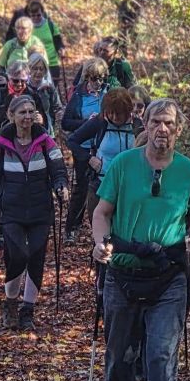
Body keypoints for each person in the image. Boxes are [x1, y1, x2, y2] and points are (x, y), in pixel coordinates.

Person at [92, 98, 190, 381]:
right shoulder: (123, 165)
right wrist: (100, 244)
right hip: (123, 272)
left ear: (179, 129)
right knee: (119, 355)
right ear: (145, 124)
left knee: (160, 354)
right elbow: (102, 212)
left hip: (169, 275)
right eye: (156, 121)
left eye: (169, 123)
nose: (162, 129)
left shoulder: (189, 171)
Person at [0, 95, 69, 332]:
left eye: (31, 112)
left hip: (41, 210)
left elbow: (58, 170)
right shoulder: (0, 142)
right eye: (22, 112)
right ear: (11, 116)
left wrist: (61, 187)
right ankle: (10, 303)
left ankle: (27, 310)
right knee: (18, 255)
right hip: (11, 210)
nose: (27, 117)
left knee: (36, 258)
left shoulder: (45, 141)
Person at [67, 88, 142, 224]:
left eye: (118, 113)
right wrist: (89, 159)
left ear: (127, 111)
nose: (114, 117)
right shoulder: (99, 122)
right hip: (101, 185)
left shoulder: (137, 126)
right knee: (100, 228)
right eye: (110, 112)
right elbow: (72, 141)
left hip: (129, 186)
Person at [61, 57, 111, 244]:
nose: (97, 82)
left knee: (103, 186)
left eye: (101, 78)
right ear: (87, 77)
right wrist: (86, 123)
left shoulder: (108, 93)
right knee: (81, 188)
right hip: (82, 147)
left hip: (103, 147)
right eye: (94, 78)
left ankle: (102, 227)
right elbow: (66, 123)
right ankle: (71, 228)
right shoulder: (78, 96)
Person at [0, 61, 46, 132]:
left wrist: (41, 121)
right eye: (15, 81)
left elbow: (44, 121)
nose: (19, 84)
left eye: (23, 81)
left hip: (27, 135)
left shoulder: (33, 95)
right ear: (9, 78)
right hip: (3, 134)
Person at [25, 0, 66, 83]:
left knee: (51, 88)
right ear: (29, 15)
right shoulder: (26, 28)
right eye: (33, 15)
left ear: (42, 13)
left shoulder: (50, 25)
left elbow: (58, 41)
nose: (36, 18)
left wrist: (61, 49)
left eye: (38, 15)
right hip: (33, 64)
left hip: (52, 63)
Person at [27, 53, 62, 136]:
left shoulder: (49, 88)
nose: (38, 72)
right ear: (29, 70)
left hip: (47, 131)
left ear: (45, 71)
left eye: (41, 69)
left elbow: (58, 108)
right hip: (27, 132)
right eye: (35, 68)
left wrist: (56, 122)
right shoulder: (24, 87)